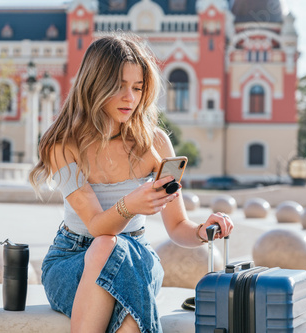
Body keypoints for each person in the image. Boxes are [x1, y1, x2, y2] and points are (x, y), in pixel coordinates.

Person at [29, 34, 234, 333]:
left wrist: (204, 231)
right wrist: (130, 205)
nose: (130, 97)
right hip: (72, 262)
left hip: (136, 256)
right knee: (105, 245)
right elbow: (99, 227)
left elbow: (177, 228)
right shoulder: (63, 146)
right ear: (94, 86)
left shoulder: (156, 143)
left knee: (119, 262)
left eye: (138, 88)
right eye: (119, 87)